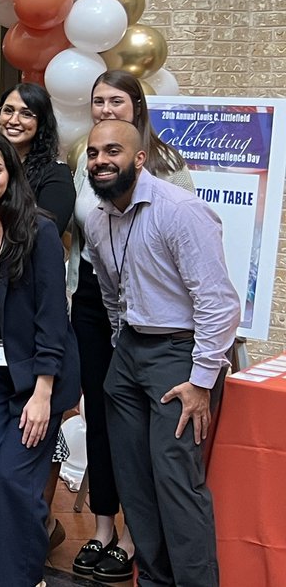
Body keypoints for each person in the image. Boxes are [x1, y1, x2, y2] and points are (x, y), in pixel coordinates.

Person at [82, 119, 239, 587]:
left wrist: (201, 380)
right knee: (135, 484)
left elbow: (218, 301)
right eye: (93, 153)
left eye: (113, 151)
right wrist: (119, 346)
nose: (101, 161)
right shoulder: (97, 219)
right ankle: (153, 580)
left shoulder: (180, 211)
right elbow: (112, 294)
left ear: (140, 158)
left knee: (175, 485)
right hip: (128, 354)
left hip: (179, 356)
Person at [67, 71, 194, 581]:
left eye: (116, 100)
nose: (105, 109)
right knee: (102, 415)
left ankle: (130, 537)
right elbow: (82, 230)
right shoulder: (85, 158)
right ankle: (103, 526)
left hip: (156, 311)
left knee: (150, 436)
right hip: (100, 301)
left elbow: (189, 253)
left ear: (137, 105)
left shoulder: (167, 165)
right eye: (97, 101)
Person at [0, 132, 80, 587]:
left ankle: (25, 578)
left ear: (11, 174)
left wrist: (44, 394)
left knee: (14, 481)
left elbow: (52, 318)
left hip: (38, 377)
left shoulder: (38, 230)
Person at [0, 83, 75, 234]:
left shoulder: (55, 173)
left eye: (26, 114)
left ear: (41, 121)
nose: (14, 120)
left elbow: (47, 233)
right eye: (8, 111)